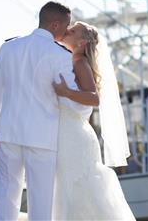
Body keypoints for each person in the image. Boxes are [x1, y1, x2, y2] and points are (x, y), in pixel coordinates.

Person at [0, 1, 89, 220]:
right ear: (55, 24)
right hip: (42, 137)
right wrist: (84, 113)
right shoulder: (59, 54)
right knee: (41, 200)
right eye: (66, 25)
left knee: (6, 194)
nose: (66, 31)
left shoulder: (8, 47)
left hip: (9, 133)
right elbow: (71, 100)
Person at [52, 21, 136, 220]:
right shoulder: (67, 60)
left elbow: (94, 97)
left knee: (78, 185)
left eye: (72, 31)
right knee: (68, 187)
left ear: (81, 42)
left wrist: (66, 92)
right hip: (67, 134)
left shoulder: (79, 62)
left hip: (75, 137)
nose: (67, 30)